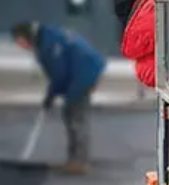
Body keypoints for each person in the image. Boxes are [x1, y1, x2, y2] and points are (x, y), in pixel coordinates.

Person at [11, 21, 107, 175]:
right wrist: (52, 94)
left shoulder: (48, 44)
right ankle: (75, 158)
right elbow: (59, 74)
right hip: (83, 70)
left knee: (75, 114)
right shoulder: (46, 37)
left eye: (19, 41)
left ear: (25, 36)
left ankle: (80, 161)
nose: (20, 46)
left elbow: (59, 75)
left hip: (84, 73)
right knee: (70, 112)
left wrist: (50, 96)